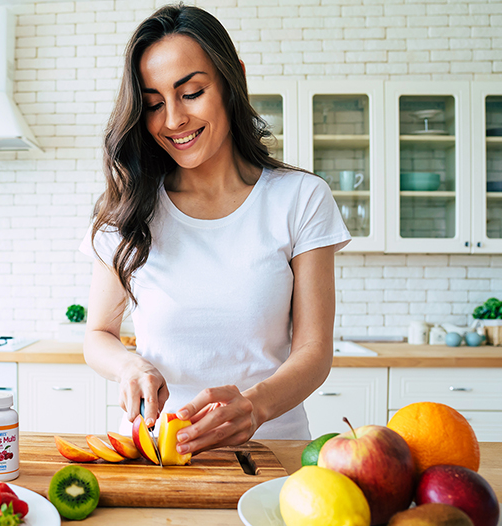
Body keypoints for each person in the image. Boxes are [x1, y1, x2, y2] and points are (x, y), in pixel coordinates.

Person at [78, 3, 351, 455]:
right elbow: (98, 336)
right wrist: (129, 366)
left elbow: (314, 351)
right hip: (161, 450)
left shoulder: (300, 198)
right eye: (153, 104)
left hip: (273, 451)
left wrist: (254, 407)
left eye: (191, 92)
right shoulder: (127, 209)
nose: (172, 120)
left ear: (233, 79)